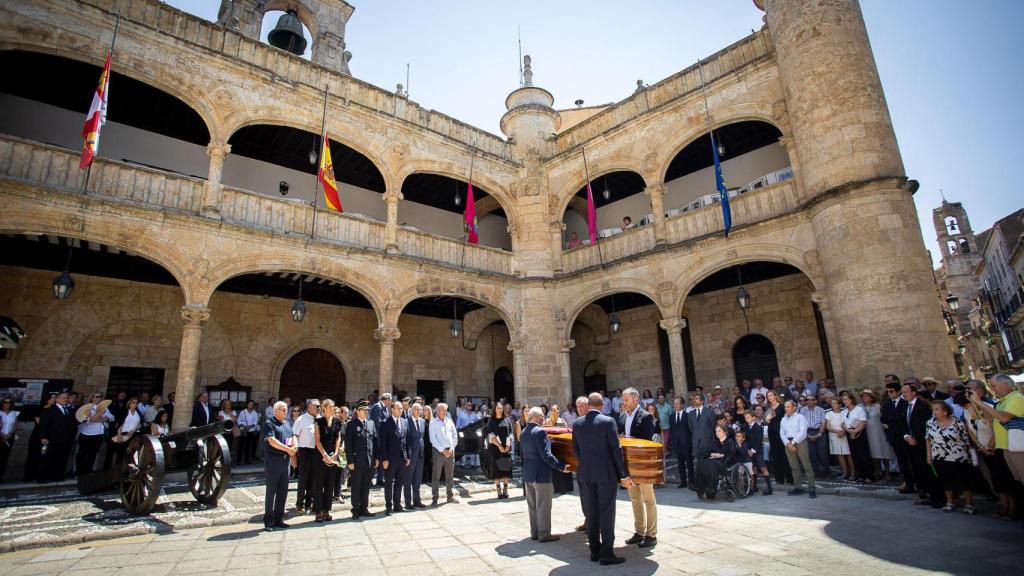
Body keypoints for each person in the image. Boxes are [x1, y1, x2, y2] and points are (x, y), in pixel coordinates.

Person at [573, 393, 632, 566]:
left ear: (589, 405)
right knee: (606, 512)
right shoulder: (608, 422)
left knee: (591, 513)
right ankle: (607, 553)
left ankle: (594, 551)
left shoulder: (577, 423)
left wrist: (586, 463)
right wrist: (624, 475)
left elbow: (575, 450)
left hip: (585, 474)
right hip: (605, 474)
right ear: (602, 406)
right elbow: (616, 450)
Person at [968, 373, 1024, 502]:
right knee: (1017, 482)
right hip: (1007, 448)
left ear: (1005, 384)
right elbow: (991, 424)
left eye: (994, 386)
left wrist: (978, 402)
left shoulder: (1016, 398)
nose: (992, 389)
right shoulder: (1001, 402)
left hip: (1018, 448)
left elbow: (1003, 418)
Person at [617, 388, 658, 549]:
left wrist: (629, 440)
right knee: (635, 498)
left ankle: (651, 534)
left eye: (626, 400)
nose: (624, 403)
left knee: (648, 499)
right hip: (628, 465)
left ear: (636, 399)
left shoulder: (646, 416)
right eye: (623, 400)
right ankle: (639, 531)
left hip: (643, 464)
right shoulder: (621, 417)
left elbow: (646, 440)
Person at [521, 406, 568, 543]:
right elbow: (546, 455)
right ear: (536, 417)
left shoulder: (523, 432)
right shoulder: (540, 432)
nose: (543, 418)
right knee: (543, 505)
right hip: (541, 473)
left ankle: (535, 532)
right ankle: (544, 533)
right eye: (541, 416)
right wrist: (561, 466)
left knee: (532, 505)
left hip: (528, 472)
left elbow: (523, 453)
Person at [925, 400, 975, 513]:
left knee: (964, 480)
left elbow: (966, 439)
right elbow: (928, 439)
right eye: (932, 409)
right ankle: (950, 502)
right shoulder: (930, 422)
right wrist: (929, 454)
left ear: (945, 410)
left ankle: (969, 503)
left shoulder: (958, 422)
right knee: (945, 480)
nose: (934, 412)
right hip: (939, 456)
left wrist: (971, 455)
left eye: (937, 409)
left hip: (959, 456)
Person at [897, 381, 933, 504]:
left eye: (906, 392)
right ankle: (922, 490)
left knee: (925, 468)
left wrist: (915, 437)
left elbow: (925, 424)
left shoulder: (922, 406)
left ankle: (931, 492)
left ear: (914, 392)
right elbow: (903, 424)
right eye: (902, 393)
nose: (904, 394)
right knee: (916, 467)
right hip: (910, 442)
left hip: (922, 442)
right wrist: (907, 436)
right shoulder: (905, 406)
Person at [262, 401, 296, 531]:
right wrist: (288, 450)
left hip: (285, 462)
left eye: (286, 409)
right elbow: (272, 441)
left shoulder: (287, 424)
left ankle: (278, 518)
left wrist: (294, 446)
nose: (285, 411)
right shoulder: (269, 424)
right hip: (273, 461)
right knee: (271, 492)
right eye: (282, 409)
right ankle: (268, 520)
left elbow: (292, 437)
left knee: (283, 492)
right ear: (276, 411)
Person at [345, 400, 378, 519]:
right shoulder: (351, 424)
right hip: (357, 462)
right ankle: (355, 510)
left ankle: (364, 508)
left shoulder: (371, 423)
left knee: (366, 486)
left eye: (367, 410)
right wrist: (350, 461)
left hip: (369, 461)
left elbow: (374, 442)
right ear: (358, 411)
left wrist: (376, 458)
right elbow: (348, 445)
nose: (366, 412)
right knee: (356, 486)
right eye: (364, 410)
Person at [778, 399, 816, 498]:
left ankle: (812, 488)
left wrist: (793, 442)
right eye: (785, 407)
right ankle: (798, 487)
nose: (786, 409)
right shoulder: (783, 419)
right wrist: (788, 443)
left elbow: (802, 432)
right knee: (794, 466)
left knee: (806, 465)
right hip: (788, 444)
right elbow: (781, 433)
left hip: (800, 442)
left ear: (794, 407)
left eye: (788, 407)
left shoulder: (800, 417)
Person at [313, 399, 342, 522]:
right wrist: (324, 454)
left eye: (333, 407)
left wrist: (335, 454)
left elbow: (338, 439)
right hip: (321, 455)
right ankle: (318, 511)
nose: (332, 409)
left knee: (330, 483)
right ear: (324, 408)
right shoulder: (318, 421)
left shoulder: (337, 421)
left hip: (333, 455)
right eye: (330, 407)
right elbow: (317, 440)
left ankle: (326, 510)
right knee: (319, 483)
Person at [380, 400, 410, 515]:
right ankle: (388, 507)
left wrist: (408, 456)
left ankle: (397, 505)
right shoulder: (385, 422)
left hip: (402, 459)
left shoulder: (404, 422)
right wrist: (384, 459)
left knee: (399, 483)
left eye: (402, 408)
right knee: (388, 484)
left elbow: (406, 441)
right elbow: (383, 442)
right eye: (398, 408)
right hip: (390, 459)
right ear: (392, 409)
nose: (400, 410)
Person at [38, 391, 76, 482]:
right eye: (63, 398)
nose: (65, 400)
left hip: (65, 439)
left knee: (61, 458)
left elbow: (72, 424)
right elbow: (44, 424)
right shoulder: (50, 410)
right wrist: (43, 437)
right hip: (52, 438)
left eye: (66, 398)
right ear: (57, 399)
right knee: (48, 458)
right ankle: (43, 477)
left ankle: (57, 476)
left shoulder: (69, 410)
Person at [693, 425, 737, 500]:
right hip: (714, 461)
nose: (717, 433)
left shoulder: (730, 442)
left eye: (719, 431)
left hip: (726, 463)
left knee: (712, 464)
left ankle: (712, 488)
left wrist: (721, 455)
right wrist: (712, 454)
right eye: (716, 431)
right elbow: (707, 453)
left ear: (725, 432)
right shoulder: (714, 442)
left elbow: (732, 454)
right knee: (700, 463)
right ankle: (699, 487)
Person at [75, 393, 113, 476]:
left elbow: (111, 417)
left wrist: (101, 418)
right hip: (86, 433)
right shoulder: (87, 407)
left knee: (93, 453)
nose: (98, 398)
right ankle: (79, 471)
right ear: (92, 398)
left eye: (99, 397)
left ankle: (88, 470)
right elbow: (88, 420)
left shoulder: (104, 408)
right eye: (96, 396)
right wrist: (100, 415)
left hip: (97, 433)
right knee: (82, 453)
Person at [293, 399, 320, 513]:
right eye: (316, 406)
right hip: (305, 452)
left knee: (313, 479)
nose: (319, 408)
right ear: (309, 407)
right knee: (303, 479)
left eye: (319, 406)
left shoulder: (320, 418)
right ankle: (300, 503)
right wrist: (294, 454)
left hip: (316, 451)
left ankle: (309, 503)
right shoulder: (301, 419)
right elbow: (295, 435)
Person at [429, 402, 458, 505]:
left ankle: (450, 497)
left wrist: (452, 448)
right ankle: (435, 498)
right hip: (438, 452)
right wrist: (443, 450)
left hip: (450, 451)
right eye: (441, 409)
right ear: (437, 410)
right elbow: (433, 439)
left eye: (444, 410)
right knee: (436, 476)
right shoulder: (433, 423)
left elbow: (455, 436)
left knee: (450, 476)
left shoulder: (449, 421)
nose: (443, 411)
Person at [840, 391, 872, 483]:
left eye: (846, 399)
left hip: (859, 432)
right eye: (843, 400)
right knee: (855, 455)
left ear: (851, 399)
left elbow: (862, 422)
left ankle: (868, 475)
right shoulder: (844, 411)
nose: (844, 401)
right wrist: (849, 431)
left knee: (863, 454)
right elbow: (842, 423)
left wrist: (855, 431)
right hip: (849, 432)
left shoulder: (859, 409)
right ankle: (860, 475)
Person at [861, 389, 892, 481]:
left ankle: (887, 472)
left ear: (871, 398)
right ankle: (878, 471)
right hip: (867, 432)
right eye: (863, 396)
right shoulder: (860, 407)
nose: (865, 398)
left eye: (867, 396)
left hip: (879, 431)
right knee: (873, 452)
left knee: (884, 451)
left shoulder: (877, 406)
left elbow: (883, 417)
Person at [765, 390, 793, 485]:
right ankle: (779, 479)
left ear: (776, 396)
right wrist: (768, 420)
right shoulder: (768, 408)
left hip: (781, 432)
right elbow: (766, 422)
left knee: (784, 455)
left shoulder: (782, 406)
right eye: (768, 396)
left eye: (771, 395)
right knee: (775, 455)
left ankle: (790, 479)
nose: (769, 397)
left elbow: (786, 418)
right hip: (772, 433)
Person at [486, 402, 513, 498]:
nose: (500, 410)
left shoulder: (507, 420)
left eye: (501, 408)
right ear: (495, 409)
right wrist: (500, 446)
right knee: (496, 469)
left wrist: (508, 446)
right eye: (498, 408)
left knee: (506, 468)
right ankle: (498, 490)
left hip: (506, 447)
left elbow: (510, 434)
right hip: (495, 448)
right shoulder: (491, 421)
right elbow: (491, 436)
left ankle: (505, 489)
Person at [743, 410, 772, 494]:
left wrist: (753, 450)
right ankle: (754, 487)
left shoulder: (758, 427)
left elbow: (759, 440)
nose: (747, 419)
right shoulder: (746, 427)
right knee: (753, 468)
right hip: (750, 451)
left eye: (748, 417)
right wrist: (748, 449)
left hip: (758, 451)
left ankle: (769, 489)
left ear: (753, 417)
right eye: (745, 417)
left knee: (763, 468)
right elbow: (747, 440)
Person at [800, 395, 828, 478]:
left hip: (820, 431)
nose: (809, 401)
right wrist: (807, 435)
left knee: (823, 453)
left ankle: (826, 472)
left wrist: (819, 434)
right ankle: (816, 471)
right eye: (807, 399)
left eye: (812, 399)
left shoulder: (821, 410)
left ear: (815, 401)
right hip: (807, 431)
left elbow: (824, 423)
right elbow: (801, 423)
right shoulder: (802, 410)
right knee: (811, 453)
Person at [668, 396, 693, 489]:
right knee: (680, 463)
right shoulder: (671, 417)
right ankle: (683, 481)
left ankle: (691, 481)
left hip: (687, 444)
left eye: (677, 403)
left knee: (689, 463)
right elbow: (672, 431)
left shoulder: (688, 415)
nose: (675, 405)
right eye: (674, 403)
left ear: (682, 404)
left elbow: (691, 430)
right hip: (677, 444)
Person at [688, 391, 717, 471]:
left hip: (708, 443)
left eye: (696, 399)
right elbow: (691, 428)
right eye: (694, 399)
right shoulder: (690, 413)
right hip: (696, 444)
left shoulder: (709, 412)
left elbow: (713, 426)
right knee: (699, 466)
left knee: (708, 465)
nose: (694, 400)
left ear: (702, 401)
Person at [405, 403, 426, 509]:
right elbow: (406, 440)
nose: (420, 412)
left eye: (421, 410)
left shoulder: (422, 422)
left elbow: (422, 438)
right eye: (418, 410)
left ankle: (417, 500)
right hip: (411, 455)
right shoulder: (406, 422)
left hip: (420, 455)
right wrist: (407, 456)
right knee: (408, 479)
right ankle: (408, 503)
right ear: (413, 410)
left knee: (417, 480)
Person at [825, 397, 851, 479]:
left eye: (835, 403)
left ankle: (852, 472)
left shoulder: (844, 412)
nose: (833, 405)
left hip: (845, 434)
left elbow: (847, 423)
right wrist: (837, 432)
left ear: (840, 405)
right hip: (834, 435)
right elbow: (828, 427)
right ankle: (844, 472)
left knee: (847, 454)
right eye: (832, 403)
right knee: (839, 455)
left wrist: (843, 431)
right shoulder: (828, 414)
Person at [369, 393, 391, 486]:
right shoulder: (377, 407)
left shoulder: (385, 407)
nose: (390, 402)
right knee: (375, 458)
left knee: (382, 457)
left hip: (383, 437)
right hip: (377, 437)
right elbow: (378, 423)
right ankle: (369, 479)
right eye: (390, 400)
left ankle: (380, 479)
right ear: (386, 399)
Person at [0, 398, 19, 481]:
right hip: (1, 437)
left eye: (9, 403)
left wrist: (10, 434)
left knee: (4, 458)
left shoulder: (14, 413)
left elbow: (15, 424)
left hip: (9, 437)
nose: (7, 404)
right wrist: (2, 435)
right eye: (5, 402)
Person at [237, 400, 260, 465]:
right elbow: (239, 421)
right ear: (247, 405)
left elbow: (255, 422)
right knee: (241, 446)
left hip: (251, 431)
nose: (251, 405)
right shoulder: (243, 412)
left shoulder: (254, 413)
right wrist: (244, 426)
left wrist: (249, 426)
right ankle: (239, 460)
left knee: (248, 446)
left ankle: (247, 460)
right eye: (250, 404)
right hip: (244, 431)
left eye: (252, 404)